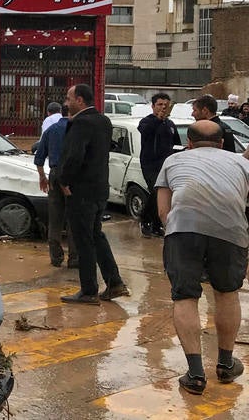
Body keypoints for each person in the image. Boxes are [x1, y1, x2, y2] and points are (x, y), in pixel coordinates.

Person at [156, 120, 249, 394]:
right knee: (227, 292)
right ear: (222, 143)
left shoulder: (173, 161)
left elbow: (164, 210)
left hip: (183, 229)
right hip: (231, 231)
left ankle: (195, 374)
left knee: (185, 296)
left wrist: (173, 232)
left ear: (190, 143)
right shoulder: (240, 163)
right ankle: (225, 364)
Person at [57, 84, 129, 304]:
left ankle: (88, 290)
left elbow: (74, 156)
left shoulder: (81, 123)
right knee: (96, 236)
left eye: (68, 99)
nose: (66, 103)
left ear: (80, 100)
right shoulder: (103, 121)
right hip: (99, 189)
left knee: (84, 240)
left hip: (81, 191)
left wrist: (64, 180)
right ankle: (114, 282)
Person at [34, 113, 76, 268]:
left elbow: (39, 158)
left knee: (55, 218)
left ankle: (56, 257)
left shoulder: (51, 130)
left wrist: (42, 177)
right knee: (73, 217)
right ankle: (75, 258)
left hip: (54, 174)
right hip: (73, 176)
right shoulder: (77, 129)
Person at [138, 92, 179, 239]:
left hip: (166, 164)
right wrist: (158, 119)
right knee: (156, 191)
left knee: (163, 195)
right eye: (160, 105)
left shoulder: (170, 124)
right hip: (150, 164)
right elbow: (145, 131)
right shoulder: (146, 121)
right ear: (153, 106)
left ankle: (156, 224)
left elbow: (176, 143)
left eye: (165, 105)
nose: (163, 107)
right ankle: (145, 217)